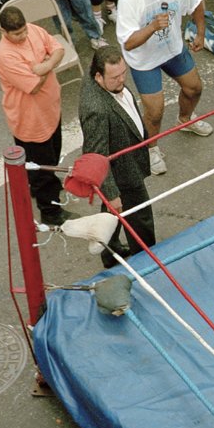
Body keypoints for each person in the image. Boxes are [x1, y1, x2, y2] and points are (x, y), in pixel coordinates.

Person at [113, 0, 211, 143]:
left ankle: (185, 120)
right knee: (155, 112)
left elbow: (197, 3)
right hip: (145, 61)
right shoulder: (129, 0)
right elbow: (129, 43)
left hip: (173, 49)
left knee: (194, 89)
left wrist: (200, 34)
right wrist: (152, 27)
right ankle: (151, 148)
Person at [77, 49, 153, 266]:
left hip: (125, 164)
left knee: (113, 214)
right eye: (115, 77)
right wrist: (111, 193)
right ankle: (147, 261)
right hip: (123, 174)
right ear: (98, 76)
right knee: (141, 220)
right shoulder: (96, 109)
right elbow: (95, 155)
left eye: (123, 73)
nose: (121, 80)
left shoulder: (104, 80)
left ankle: (110, 253)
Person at [0, 2, 66, 226]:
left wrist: (44, 66)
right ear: (3, 32)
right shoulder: (5, 55)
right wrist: (49, 63)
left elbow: (59, 49)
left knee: (51, 156)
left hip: (50, 110)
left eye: (24, 30)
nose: (23, 35)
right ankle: (50, 212)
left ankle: (38, 186)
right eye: (17, 34)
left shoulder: (33, 30)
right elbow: (32, 86)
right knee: (44, 168)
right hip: (30, 121)